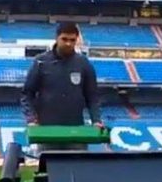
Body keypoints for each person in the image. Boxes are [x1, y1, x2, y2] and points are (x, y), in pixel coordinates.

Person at [20, 22, 104, 151]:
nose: (68, 43)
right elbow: (27, 94)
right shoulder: (41, 61)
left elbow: (92, 96)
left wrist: (96, 120)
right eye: (64, 39)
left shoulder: (83, 63)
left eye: (72, 40)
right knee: (48, 170)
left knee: (77, 169)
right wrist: (31, 119)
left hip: (76, 131)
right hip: (47, 131)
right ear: (56, 38)